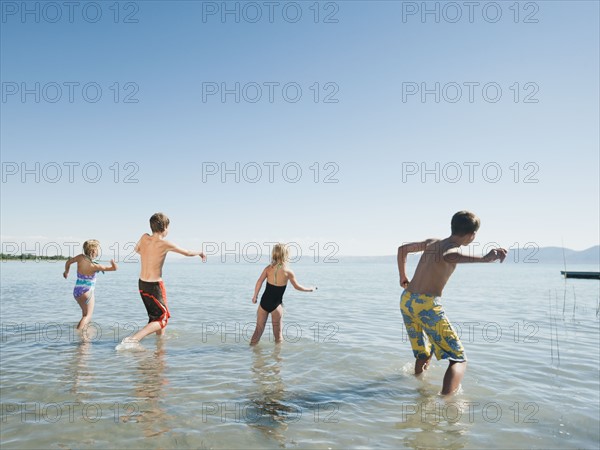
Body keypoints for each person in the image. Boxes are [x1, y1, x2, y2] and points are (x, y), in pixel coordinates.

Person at [397, 211, 507, 395]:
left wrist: (403, 276)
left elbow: (402, 250)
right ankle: (446, 401)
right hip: (425, 305)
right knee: (458, 358)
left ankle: (419, 388)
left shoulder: (432, 242)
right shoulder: (451, 248)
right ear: (472, 235)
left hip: (407, 300)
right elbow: (449, 255)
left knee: (424, 352)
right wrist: (486, 259)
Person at [120, 212, 206, 346]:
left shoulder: (144, 237)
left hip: (142, 283)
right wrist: (200, 252)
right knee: (163, 319)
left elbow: (136, 249)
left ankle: (160, 348)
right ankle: (133, 339)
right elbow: (188, 253)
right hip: (155, 285)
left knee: (155, 316)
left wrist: (148, 254)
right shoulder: (165, 244)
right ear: (164, 227)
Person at [250, 243, 316, 345]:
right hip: (276, 305)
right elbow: (297, 287)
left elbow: (259, 281)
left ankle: (252, 355)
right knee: (278, 336)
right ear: (286, 255)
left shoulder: (268, 268)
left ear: (274, 254)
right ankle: (278, 359)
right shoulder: (288, 272)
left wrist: (255, 296)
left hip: (264, 303)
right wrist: (309, 289)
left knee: (258, 331)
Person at [63, 239, 118, 330]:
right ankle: (79, 334)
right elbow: (113, 269)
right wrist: (113, 264)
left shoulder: (80, 257)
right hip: (87, 292)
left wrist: (66, 272)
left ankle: (85, 330)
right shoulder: (94, 266)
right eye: (98, 249)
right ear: (93, 251)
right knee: (87, 316)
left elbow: (68, 262)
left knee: (84, 313)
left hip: (77, 291)